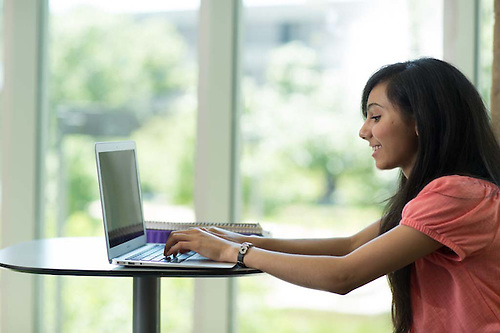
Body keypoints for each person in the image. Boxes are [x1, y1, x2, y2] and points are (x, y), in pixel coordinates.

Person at [164, 58, 500, 332]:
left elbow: (343, 275)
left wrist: (235, 252)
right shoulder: (443, 194)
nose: (364, 131)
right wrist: (237, 240)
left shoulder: (458, 195)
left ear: (421, 122)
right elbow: (351, 246)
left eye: (376, 116)